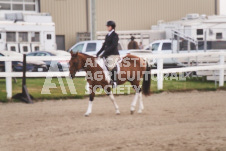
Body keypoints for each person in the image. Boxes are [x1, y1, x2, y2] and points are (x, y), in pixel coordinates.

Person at [96, 21, 120, 88]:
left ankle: (114, 81)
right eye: (107, 26)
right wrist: (98, 53)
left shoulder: (115, 35)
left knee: (110, 66)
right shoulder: (107, 35)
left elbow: (114, 45)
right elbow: (104, 46)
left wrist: (105, 52)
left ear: (112, 27)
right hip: (107, 54)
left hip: (114, 54)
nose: (107, 27)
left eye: (108, 26)